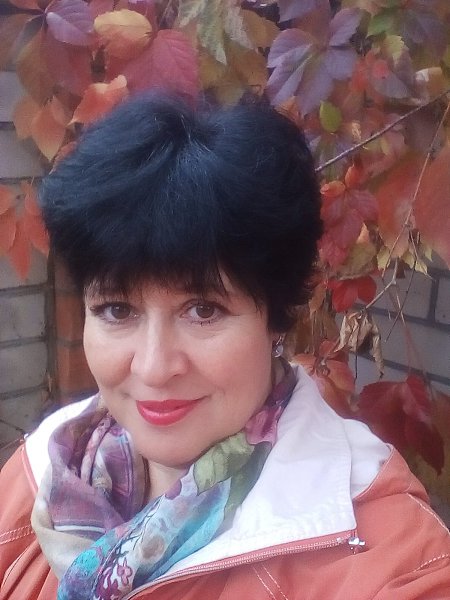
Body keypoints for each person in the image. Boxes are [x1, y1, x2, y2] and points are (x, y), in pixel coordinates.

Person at [0, 95, 449, 600]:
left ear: (276, 318)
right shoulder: (44, 469)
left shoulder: (390, 560)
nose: (154, 367)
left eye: (203, 310)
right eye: (117, 310)